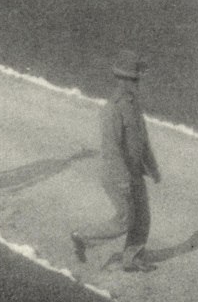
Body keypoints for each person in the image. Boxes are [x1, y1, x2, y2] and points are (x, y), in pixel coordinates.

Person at [69, 50, 161, 272]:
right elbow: (111, 149)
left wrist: (152, 167)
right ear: (123, 80)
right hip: (117, 174)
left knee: (142, 218)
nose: (137, 84)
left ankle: (132, 259)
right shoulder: (113, 109)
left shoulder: (132, 104)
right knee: (125, 220)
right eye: (134, 80)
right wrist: (122, 180)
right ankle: (82, 237)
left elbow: (142, 139)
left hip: (134, 171)